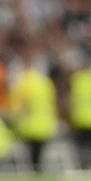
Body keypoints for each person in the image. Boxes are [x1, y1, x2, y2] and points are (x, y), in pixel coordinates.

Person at [8, 44, 58, 173]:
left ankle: (33, 175)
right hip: (45, 126)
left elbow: (16, 107)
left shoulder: (22, 82)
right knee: (40, 158)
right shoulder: (45, 82)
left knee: (30, 159)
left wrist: (13, 121)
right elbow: (52, 103)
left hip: (28, 127)